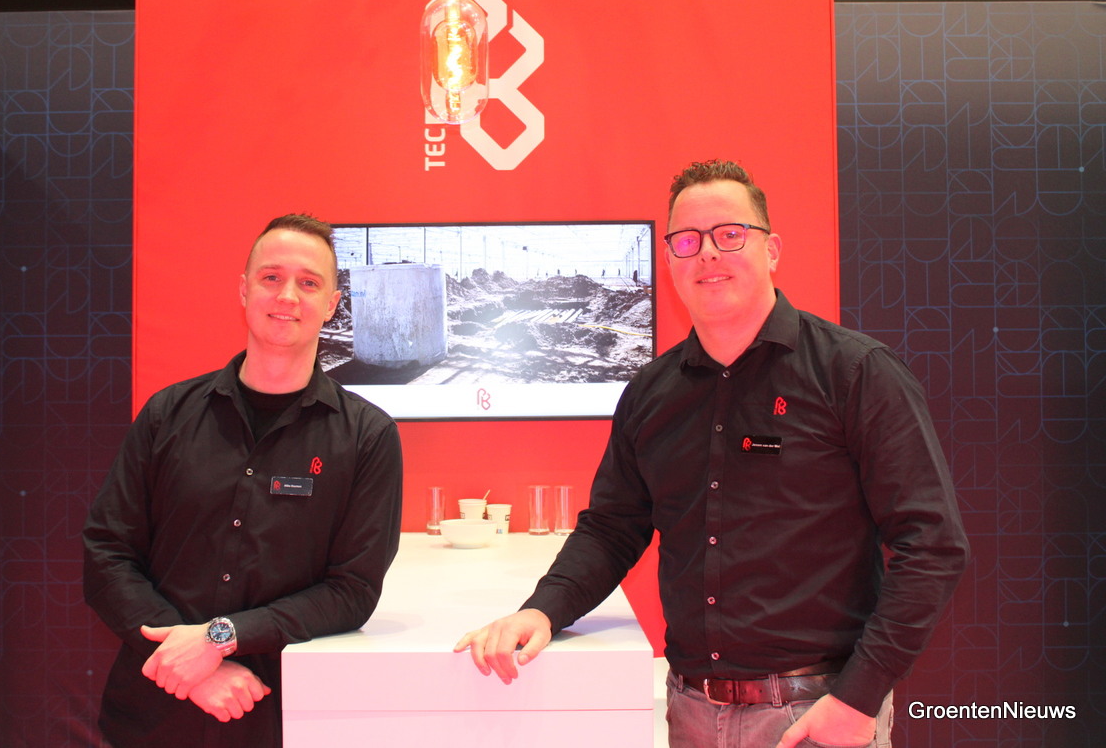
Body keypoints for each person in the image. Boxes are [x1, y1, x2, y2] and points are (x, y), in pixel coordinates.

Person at [455, 161, 968, 748]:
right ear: (670, 260)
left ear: (771, 249)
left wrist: (859, 696)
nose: (707, 254)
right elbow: (613, 528)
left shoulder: (854, 373)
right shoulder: (651, 393)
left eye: (730, 234)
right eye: (687, 240)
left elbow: (932, 544)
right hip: (692, 711)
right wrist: (543, 609)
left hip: (815, 712)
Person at [84, 213, 403, 747]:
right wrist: (190, 668)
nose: (287, 296)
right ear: (244, 289)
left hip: (280, 714)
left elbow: (353, 591)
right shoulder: (167, 414)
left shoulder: (367, 438)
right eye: (271, 277)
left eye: (309, 283)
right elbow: (106, 554)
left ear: (331, 304)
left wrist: (218, 639)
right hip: (152, 715)